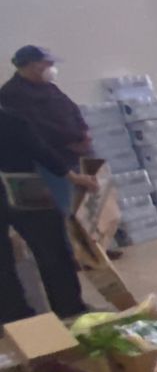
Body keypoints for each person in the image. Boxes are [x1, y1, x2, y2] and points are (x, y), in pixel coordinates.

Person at [0, 107, 96, 321]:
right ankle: (69, 307)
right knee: (51, 248)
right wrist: (74, 177)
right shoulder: (10, 119)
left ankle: (14, 318)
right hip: (22, 186)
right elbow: (40, 149)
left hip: (18, 185)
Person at [1, 45, 91, 216]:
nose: (52, 67)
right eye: (47, 63)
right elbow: (37, 130)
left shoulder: (49, 87)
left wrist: (84, 132)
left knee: (86, 208)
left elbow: (72, 109)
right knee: (68, 211)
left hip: (76, 154)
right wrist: (70, 143)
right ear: (32, 65)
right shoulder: (12, 94)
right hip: (54, 162)